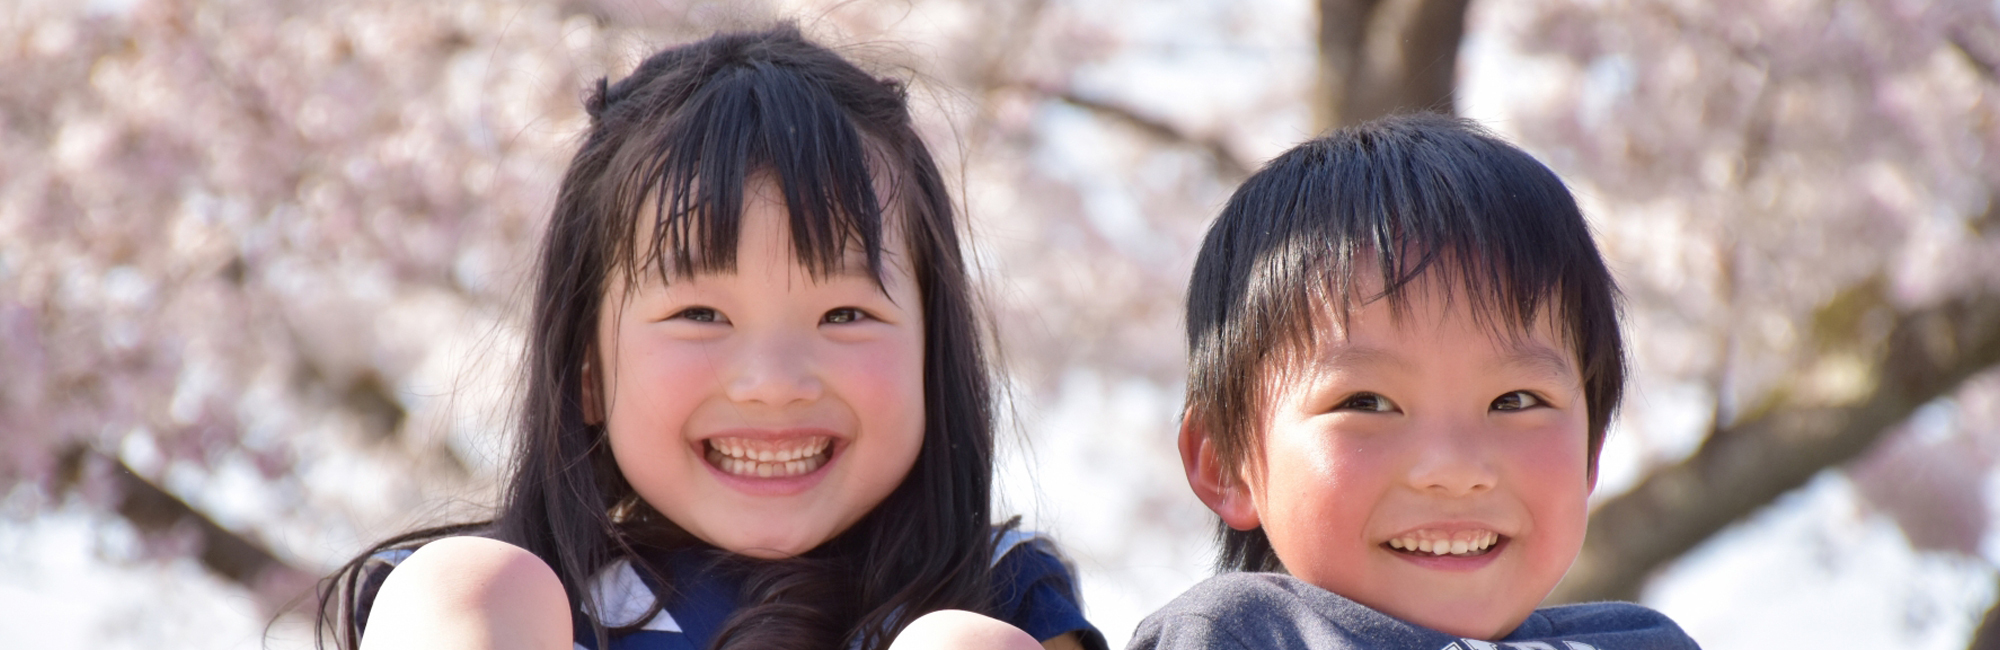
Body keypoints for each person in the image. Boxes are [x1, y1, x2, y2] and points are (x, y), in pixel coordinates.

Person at [315, 25, 1105, 650]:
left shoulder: (999, 596)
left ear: (933, 355)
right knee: (473, 580)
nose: (773, 380)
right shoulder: (502, 607)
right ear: (588, 368)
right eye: (701, 316)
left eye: (844, 315)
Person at [1132, 114, 1700, 649]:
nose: (1453, 470)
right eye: (1367, 402)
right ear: (1226, 462)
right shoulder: (1248, 634)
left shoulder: (1637, 638)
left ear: (1590, 454)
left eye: (1515, 400)